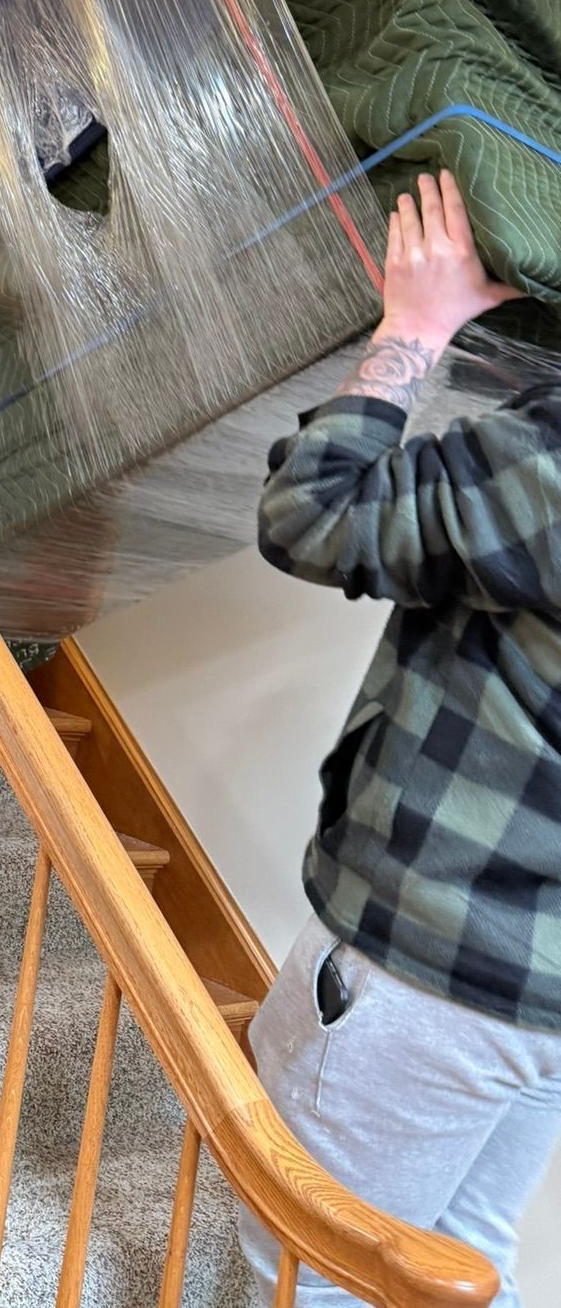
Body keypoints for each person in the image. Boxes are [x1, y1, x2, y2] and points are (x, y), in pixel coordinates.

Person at [238, 170, 561, 1306]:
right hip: (541, 1002)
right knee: (458, 1268)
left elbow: (311, 510)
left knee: (298, 1271)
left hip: (434, 971)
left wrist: (414, 328)